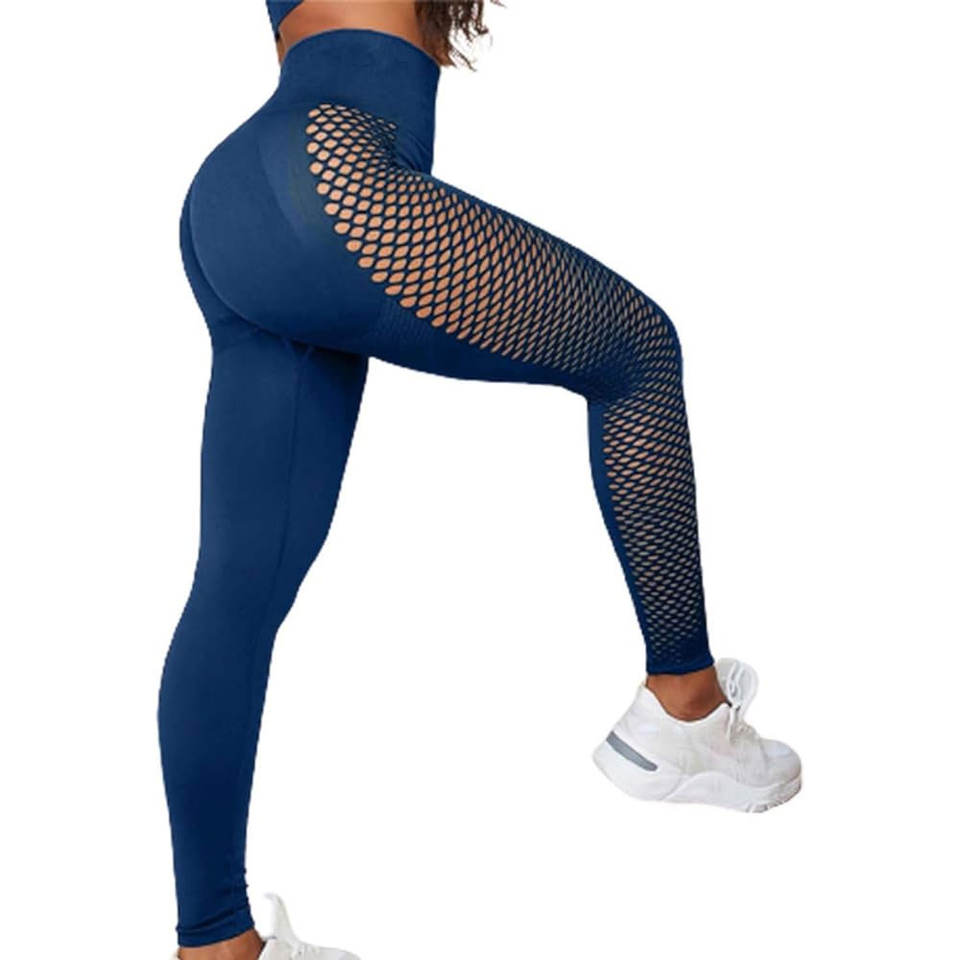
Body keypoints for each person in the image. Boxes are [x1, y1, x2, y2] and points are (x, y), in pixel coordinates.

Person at [159, 2, 801, 957]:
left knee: (237, 587)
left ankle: (216, 942)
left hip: (237, 200)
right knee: (639, 354)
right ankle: (686, 705)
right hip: (332, 177)